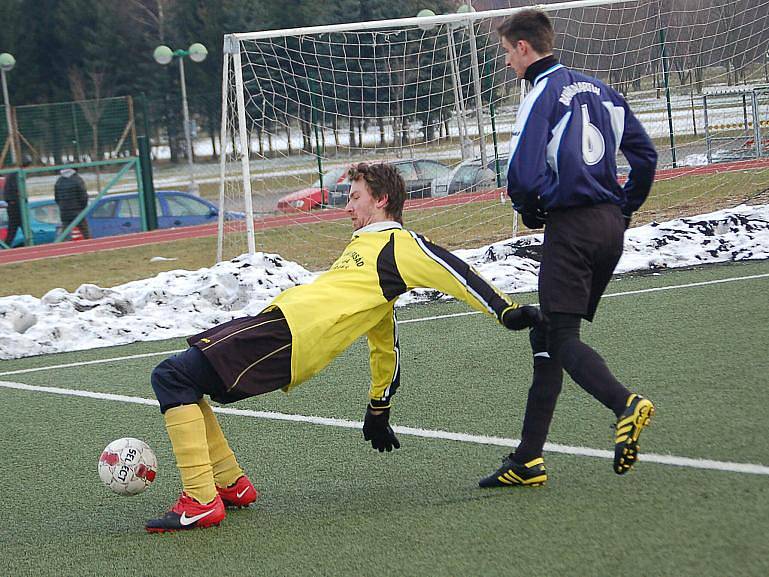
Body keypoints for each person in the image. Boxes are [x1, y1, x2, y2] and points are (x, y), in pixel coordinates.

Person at [145, 162, 545, 532]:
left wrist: (505, 312)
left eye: (355, 197)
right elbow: (384, 343)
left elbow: (453, 269)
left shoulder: (398, 244)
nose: (348, 207)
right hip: (280, 325)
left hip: (289, 333)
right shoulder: (368, 255)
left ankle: (200, 500)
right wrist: (378, 406)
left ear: (382, 199)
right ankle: (230, 485)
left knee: (171, 376)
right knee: (183, 381)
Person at [479, 9, 658, 489]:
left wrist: (531, 207)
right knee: (551, 334)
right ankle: (528, 459)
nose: (509, 64)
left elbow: (520, 172)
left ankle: (625, 404)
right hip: (609, 228)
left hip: (573, 228)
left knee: (561, 338)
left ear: (523, 47)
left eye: (507, 53)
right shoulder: (600, 89)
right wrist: (624, 208)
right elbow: (645, 155)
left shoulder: (542, 93)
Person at [1, 156, 31, 248]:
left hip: (14, 204)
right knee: (19, 228)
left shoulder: (14, 174)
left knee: (14, 229)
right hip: (16, 205)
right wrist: (22, 198)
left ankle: (7, 246)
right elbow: (17, 190)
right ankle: (28, 244)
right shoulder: (16, 174)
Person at [54, 167, 90, 239]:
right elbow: (83, 196)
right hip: (77, 211)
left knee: (64, 233)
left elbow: (57, 198)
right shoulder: (77, 179)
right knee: (85, 231)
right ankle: (90, 246)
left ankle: (61, 246)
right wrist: (83, 208)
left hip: (64, 212)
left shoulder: (59, 181)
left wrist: (62, 207)